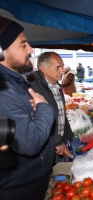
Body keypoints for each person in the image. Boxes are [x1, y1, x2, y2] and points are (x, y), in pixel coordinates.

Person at [0, 18, 55, 200]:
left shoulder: (13, 81)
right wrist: (43, 108)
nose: (31, 50)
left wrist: (34, 112)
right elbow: (30, 142)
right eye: (23, 45)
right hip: (18, 188)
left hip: (27, 180)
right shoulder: (3, 90)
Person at [27, 52, 74, 162]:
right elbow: (35, 119)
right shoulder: (33, 87)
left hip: (58, 142)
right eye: (58, 67)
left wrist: (69, 135)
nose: (62, 71)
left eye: (62, 67)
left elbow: (61, 113)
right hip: (44, 145)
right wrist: (56, 141)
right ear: (43, 69)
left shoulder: (56, 85)